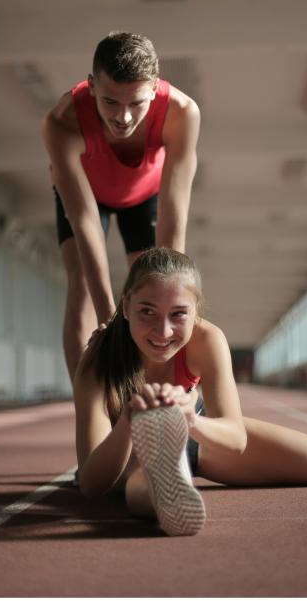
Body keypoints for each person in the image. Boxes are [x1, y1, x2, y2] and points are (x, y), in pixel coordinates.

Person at [73, 247, 307, 537]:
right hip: (131, 451)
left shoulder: (207, 339)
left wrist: (191, 420)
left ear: (195, 312)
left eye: (178, 314)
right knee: (142, 487)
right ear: (126, 306)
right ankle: (169, 488)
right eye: (147, 311)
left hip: (199, 432)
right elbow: (91, 482)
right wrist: (128, 419)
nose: (163, 331)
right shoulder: (99, 359)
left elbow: (235, 438)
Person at [42, 32, 200, 382]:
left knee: (151, 284)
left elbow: (174, 217)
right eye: (111, 102)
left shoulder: (182, 113)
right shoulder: (61, 122)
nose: (124, 118)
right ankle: (88, 397)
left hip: (145, 195)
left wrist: (171, 299)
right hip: (86, 195)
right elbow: (85, 222)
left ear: (156, 88)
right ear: (92, 86)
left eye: (137, 104)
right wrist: (108, 323)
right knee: (81, 285)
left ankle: (155, 385)